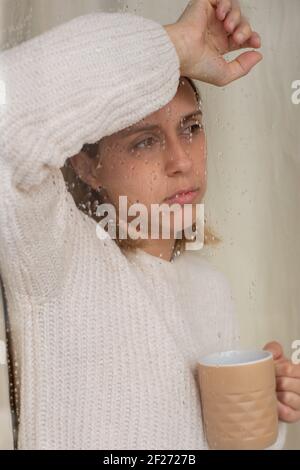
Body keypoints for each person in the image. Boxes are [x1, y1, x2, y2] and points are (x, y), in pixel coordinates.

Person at [0, 0, 299, 450]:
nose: (181, 161)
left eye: (191, 127)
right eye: (144, 141)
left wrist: (260, 415)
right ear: (87, 166)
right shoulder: (58, 260)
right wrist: (174, 46)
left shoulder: (209, 288)